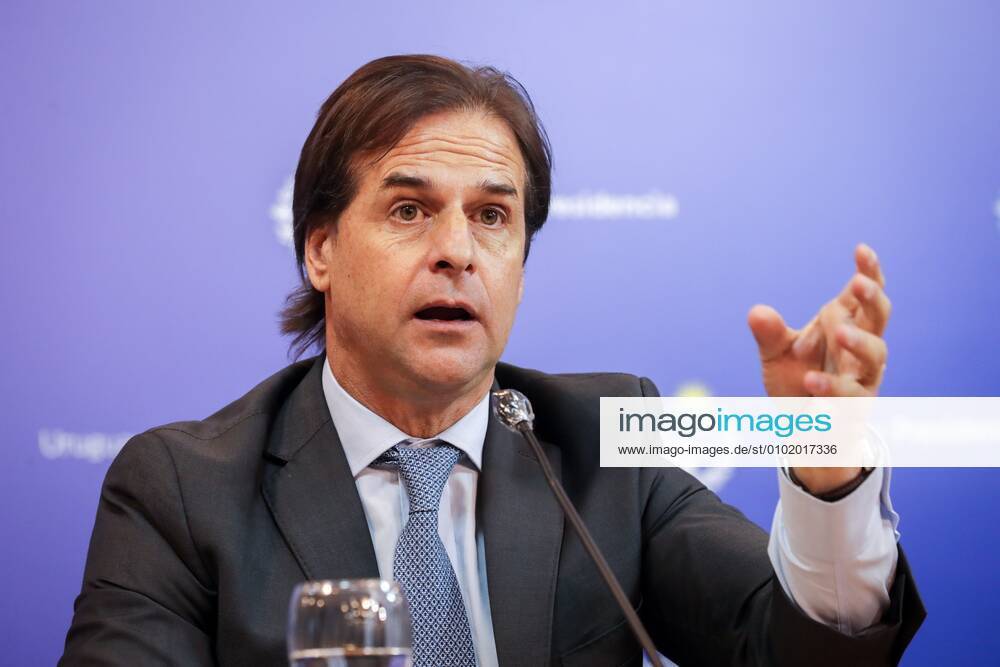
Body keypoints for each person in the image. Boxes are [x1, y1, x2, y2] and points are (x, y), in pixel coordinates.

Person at [60, 54, 924, 666]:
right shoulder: (182, 489)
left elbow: (802, 653)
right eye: (408, 210)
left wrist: (827, 477)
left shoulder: (608, 442)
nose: (457, 251)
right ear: (320, 248)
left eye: (492, 216)